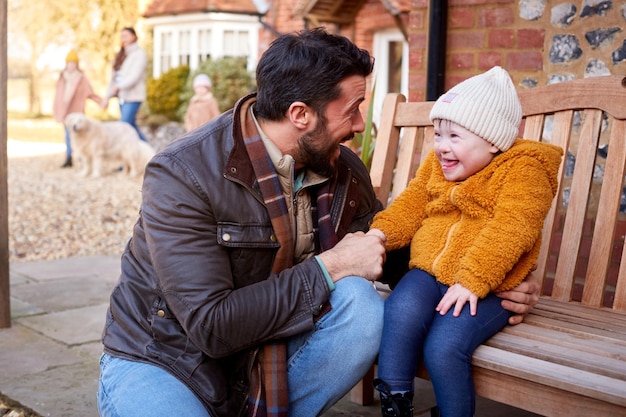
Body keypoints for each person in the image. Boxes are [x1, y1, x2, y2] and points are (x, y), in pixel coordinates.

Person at [96, 31, 540, 417]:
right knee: (344, 280)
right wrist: (330, 267)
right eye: (352, 110)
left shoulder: (340, 166)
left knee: (362, 307)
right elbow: (211, 326)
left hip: (267, 347)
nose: (361, 124)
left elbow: (393, 253)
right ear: (300, 114)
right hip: (165, 359)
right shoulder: (181, 175)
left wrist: (487, 282)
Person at [369, 66, 563, 417]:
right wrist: (378, 234)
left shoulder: (525, 170)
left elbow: (513, 227)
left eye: (454, 136)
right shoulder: (437, 165)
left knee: (445, 346)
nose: (441, 147)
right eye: (438, 134)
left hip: (488, 287)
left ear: (492, 140)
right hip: (429, 272)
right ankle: (395, 405)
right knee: (399, 311)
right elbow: (411, 204)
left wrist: (474, 278)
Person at [52, 49, 103, 168]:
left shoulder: (81, 78)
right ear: (66, 64)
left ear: (77, 64)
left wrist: (100, 101)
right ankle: (69, 157)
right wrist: (56, 109)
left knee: (80, 135)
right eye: (69, 63)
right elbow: (58, 95)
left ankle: (81, 157)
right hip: (65, 111)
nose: (71, 65)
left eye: (74, 63)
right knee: (67, 135)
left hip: (76, 111)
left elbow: (89, 92)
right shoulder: (62, 77)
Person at [102, 26, 148, 142]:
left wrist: (119, 86)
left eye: (126, 36)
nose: (123, 39)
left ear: (134, 37)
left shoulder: (139, 54)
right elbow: (113, 79)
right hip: (122, 97)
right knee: (132, 128)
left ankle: (121, 157)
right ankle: (152, 155)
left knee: (123, 127)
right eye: (122, 36)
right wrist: (107, 97)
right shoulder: (120, 55)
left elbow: (134, 77)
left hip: (133, 97)